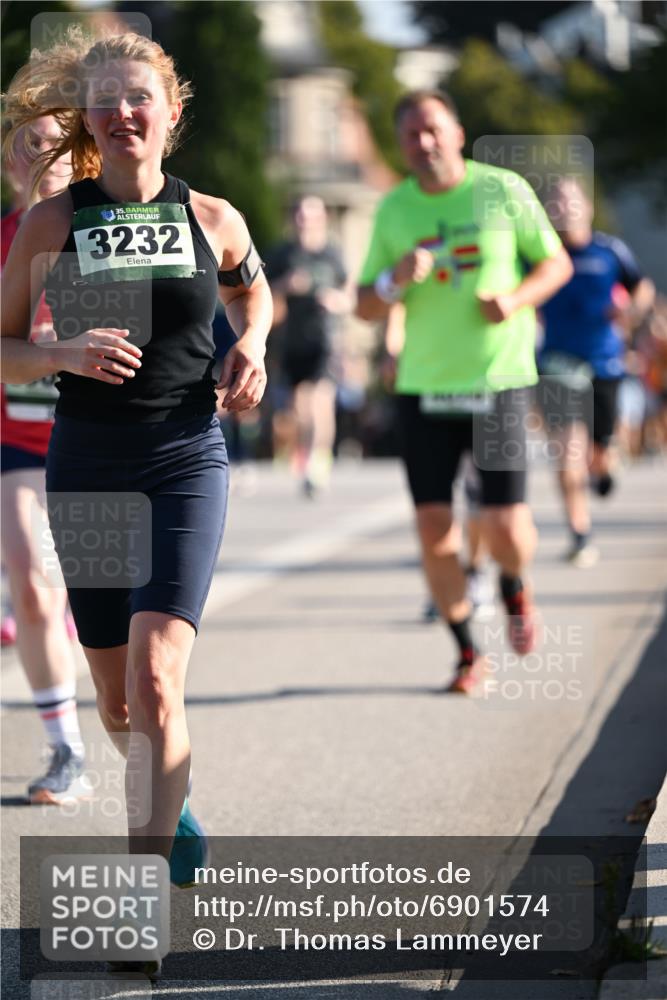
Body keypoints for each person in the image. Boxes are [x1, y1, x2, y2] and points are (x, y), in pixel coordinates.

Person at [1, 29, 272, 968]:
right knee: (118, 705)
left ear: (170, 112)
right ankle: (175, 806)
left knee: (159, 680)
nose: (123, 114)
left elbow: (253, 290)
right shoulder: (51, 225)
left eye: (138, 98)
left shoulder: (215, 216)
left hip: (185, 458)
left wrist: (254, 346)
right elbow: (0, 346)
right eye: (105, 101)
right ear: (89, 119)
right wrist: (60, 354)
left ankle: (140, 903)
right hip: (90, 463)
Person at [356, 90, 572, 694]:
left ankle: (513, 583)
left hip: (496, 380)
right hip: (424, 387)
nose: (421, 144)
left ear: (456, 130)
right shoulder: (394, 209)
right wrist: (392, 279)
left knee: (504, 525)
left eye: (431, 129)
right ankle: (468, 651)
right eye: (409, 136)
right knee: (434, 529)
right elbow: (364, 305)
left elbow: (555, 264)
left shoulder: (501, 189)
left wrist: (515, 301)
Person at [0, 105, 89, 804]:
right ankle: (66, 750)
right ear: (10, 164)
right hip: (19, 446)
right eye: (28, 148)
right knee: (31, 584)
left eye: (57, 147)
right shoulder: (3, 239)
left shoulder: (106, 234)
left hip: (102, 442)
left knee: (107, 615)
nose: (43, 159)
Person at [538, 178, 655, 566]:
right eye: (555, 204)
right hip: (556, 363)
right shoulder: (540, 253)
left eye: (570, 202)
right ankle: (579, 533)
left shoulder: (610, 250)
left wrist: (630, 311)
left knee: (597, 453)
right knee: (567, 453)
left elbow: (641, 288)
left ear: (586, 207)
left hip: (604, 363)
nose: (563, 210)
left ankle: (604, 465)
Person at [266, 196, 352, 496]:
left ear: (323, 220)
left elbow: (349, 293)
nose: (306, 222)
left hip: (325, 338)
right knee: (299, 406)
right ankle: (305, 455)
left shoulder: (332, 255)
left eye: (312, 216)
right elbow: (258, 292)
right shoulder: (282, 254)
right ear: (294, 220)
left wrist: (335, 301)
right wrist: (286, 286)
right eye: (301, 216)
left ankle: (318, 462)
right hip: (291, 340)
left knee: (321, 401)